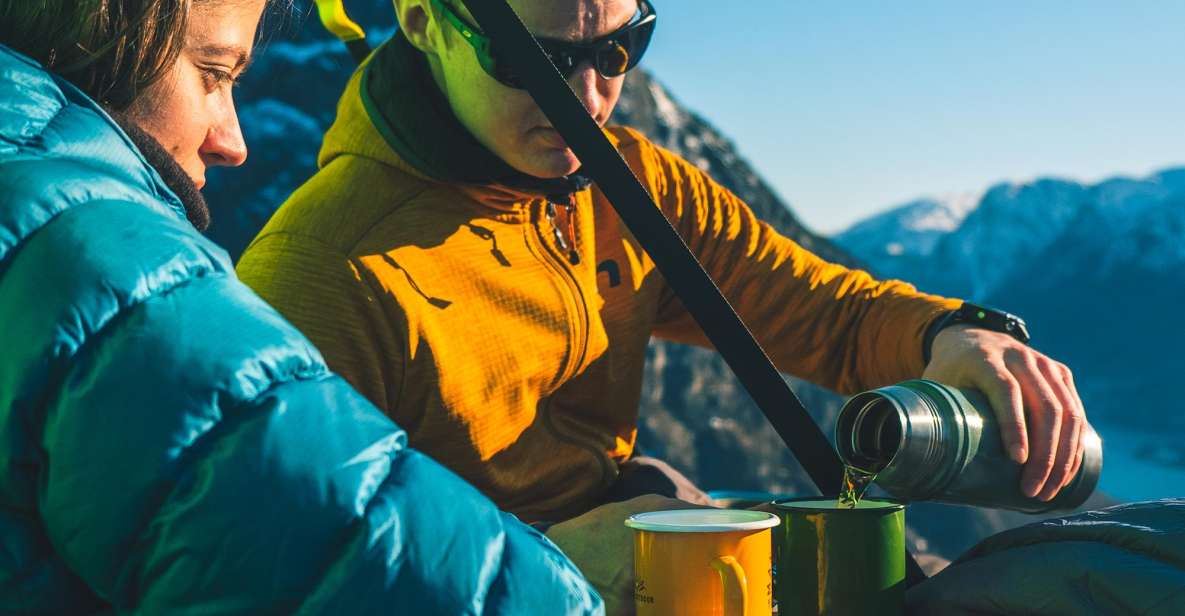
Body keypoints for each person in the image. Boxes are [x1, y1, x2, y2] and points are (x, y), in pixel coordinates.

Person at [236, 0, 1089, 610]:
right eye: (529, 61)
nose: (588, 98)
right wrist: (545, 564)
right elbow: (291, 567)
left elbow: (820, 313)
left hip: (656, 533)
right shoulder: (326, 270)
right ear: (423, 19)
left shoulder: (629, 182)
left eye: (617, 49)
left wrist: (949, 334)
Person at [0, 0, 602, 613]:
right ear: (97, 35)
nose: (233, 142)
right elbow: (336, 541)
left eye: (616, 52)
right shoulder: (89, 250)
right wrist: (573, 577)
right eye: (214, 73)